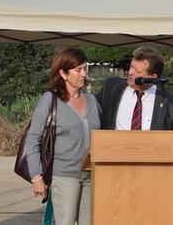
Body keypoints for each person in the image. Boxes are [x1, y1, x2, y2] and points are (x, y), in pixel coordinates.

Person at [26, 47, 101, 225]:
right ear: (63, 73)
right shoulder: (50, 100)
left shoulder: (92, 100)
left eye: (85, 68)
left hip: (93, 176)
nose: (84, 74)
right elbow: (33, 138)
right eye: (78, 70)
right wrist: (37, 178)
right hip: (64, 176)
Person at [97, 46, 173, 131]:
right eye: (131, 67)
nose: (130, 72)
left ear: (152, 77)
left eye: (137, 71)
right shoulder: (111, 87)